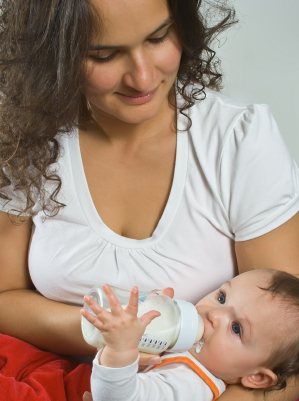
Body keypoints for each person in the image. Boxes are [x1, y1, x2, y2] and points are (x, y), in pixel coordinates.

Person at [0, 0, 299, 400]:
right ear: (54, 53)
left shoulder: (238, 141)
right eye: (104, 55)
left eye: (158, 37)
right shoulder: (28, 141)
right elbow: (4, 297)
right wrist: (116, 337)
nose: (142, 77)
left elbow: (288, 357)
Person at [82, 269, 299, 401]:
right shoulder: (187, 353)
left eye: (236, 328)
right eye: (222, 298)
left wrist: (120, 349)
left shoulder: (190, 384)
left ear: (257, 377)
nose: (214, 314)